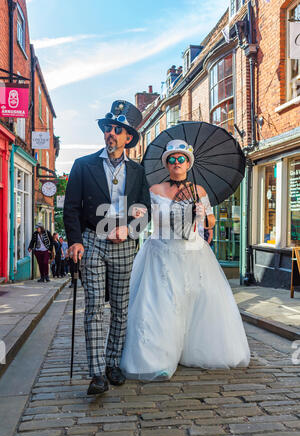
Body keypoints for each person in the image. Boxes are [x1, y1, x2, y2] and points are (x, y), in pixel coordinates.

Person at [121, 139, 250, 381]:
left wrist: (203, 215)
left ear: (188, 163)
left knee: (196, 303)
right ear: (166, 163)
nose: (177, 163)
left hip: (193, 253)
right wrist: (136, 215)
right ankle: (156, 357)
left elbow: (211, 222)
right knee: (160, 305)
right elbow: (142, 221)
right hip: (160, 253)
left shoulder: (198, 191)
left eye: (181, 159)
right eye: (172, 159)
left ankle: (191, 350)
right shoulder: (154, 191)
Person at [63, 100, 151, 395]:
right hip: (92, 241)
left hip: (125, 245)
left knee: (121, 309)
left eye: (117, 130)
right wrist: (75, 240)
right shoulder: (83, 165)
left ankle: (113, 362)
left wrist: (130, 227)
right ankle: (97, 373)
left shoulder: (137, 172)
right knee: (94, 308)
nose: (111, 133)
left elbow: (145, 209)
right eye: (108, 128)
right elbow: (71, 207)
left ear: (128, 138)